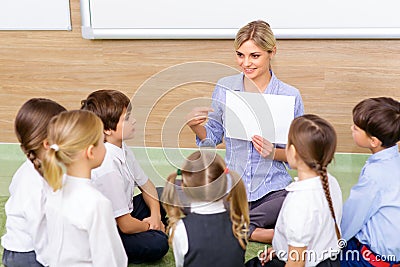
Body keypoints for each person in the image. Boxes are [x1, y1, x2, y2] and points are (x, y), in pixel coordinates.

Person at [186, 20, 304, 243]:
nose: (246, 63)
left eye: (255, 56)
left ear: (272, 52)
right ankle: (260, 231)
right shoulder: (225, 87)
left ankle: (241, 226)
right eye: (240, 55)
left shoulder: (290, 95)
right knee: (193, 206)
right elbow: (212, 138)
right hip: (233, 189)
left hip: (273, 192)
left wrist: (273, 153)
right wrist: (196, 127)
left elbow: (298, 156)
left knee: (296, 201)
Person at [81, 89, 169, 264]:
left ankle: (158, 227)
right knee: (159, 243)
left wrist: (155, 216)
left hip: (124, 215)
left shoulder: (122, 148)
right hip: (111, 230)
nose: (133, 120)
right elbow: (125, 225)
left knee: (163, 193)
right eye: (127, 118)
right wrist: (152, 227)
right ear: (106, 129)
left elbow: (147, 186)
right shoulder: (107, 166)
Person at [247, 114, 342, 267]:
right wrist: (281, 249)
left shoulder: (298, 203)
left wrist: (288, 253)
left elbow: (296, 262)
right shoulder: (330, 181)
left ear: (292, 151)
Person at [42, 110, 127, 266]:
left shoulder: (53, 189)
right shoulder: (97, 203)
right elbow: (110, 260)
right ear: (90, 152)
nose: (106, 147)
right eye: (103, 142)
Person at [1, 98, 66, 267]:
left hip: (31, 248)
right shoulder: (32, 180)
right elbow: (40, 232)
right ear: (47, 143)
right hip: (27, 254)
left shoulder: (42, 167)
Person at [162, 150, 249, 267]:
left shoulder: (180, 229)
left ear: (183, 187)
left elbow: (181, 264)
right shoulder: (239, 221)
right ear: (224, 184)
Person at [340, 97, 400, 267]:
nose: (351, 128)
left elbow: (352, 217)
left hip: (371, 259)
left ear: (374, 141)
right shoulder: (395, 161)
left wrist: (334, 243)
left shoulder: (375, 175)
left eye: (356, 128)